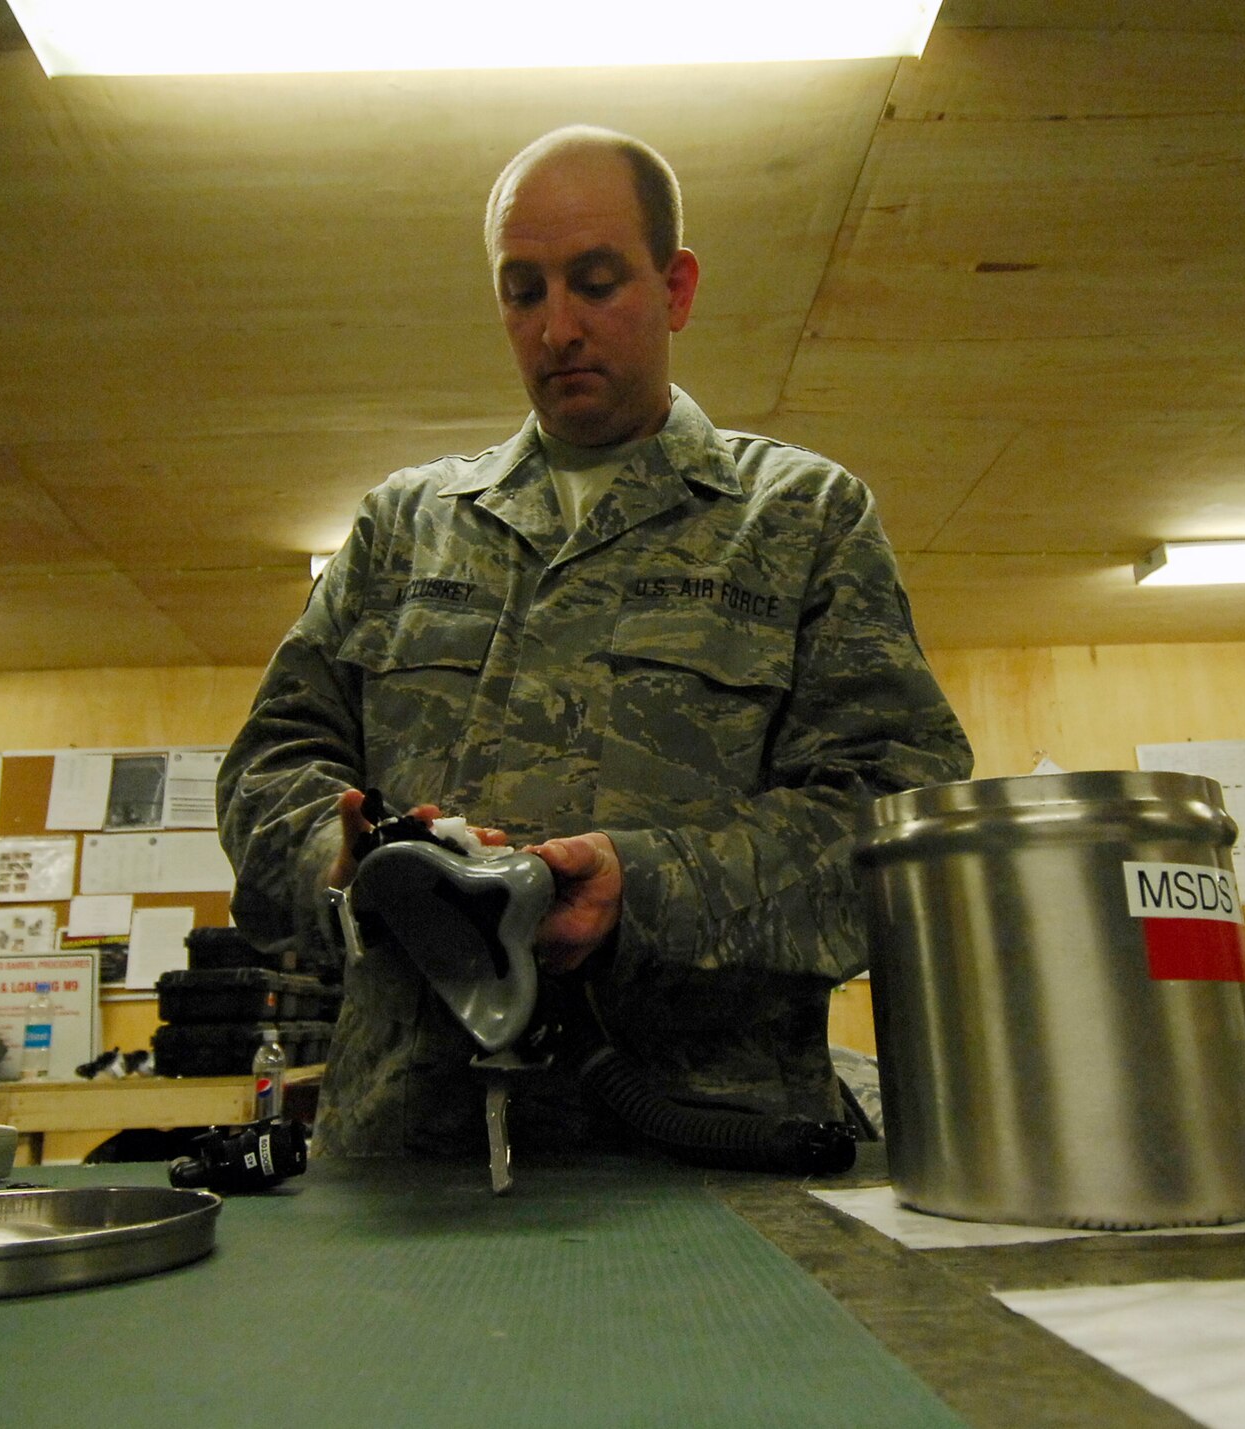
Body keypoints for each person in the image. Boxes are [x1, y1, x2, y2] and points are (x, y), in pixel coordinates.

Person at [216, 126, 973, 1158]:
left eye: (595, 281)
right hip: (408, 1157)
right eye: (522, 291)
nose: (556, 327)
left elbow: (893, 821)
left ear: (675, 289)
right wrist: (341, 854)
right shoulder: (402, 526)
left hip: (707, 1151)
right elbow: (268, 769)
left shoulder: (800, 520)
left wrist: (645, 889)